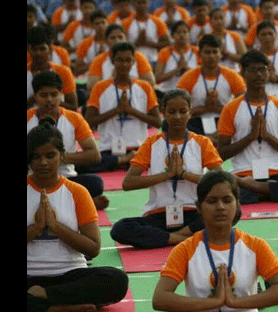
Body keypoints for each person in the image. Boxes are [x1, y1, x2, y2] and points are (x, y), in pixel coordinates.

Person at [152, 170, 278, 311]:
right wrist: (214, 302)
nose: (220, 207)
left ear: (237, 204)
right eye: (212, 201)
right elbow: (160, 298)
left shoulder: (255, 246)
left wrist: (235, 303)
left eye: (227, 200)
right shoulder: (185, 249)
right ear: (199, 207)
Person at [27, 120, 129, 312]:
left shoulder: (77, 192)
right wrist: (36, 228)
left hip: (70, 275)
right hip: (29, 276)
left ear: (62, 156)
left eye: (50, 156)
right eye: (36, 157)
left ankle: (46, 298)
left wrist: (56, 227)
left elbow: (93, 248)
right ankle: (58, 308)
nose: (43, 162)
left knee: (117, 281)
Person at [110, 89, 223, 249]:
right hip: (159, 214)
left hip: (193, 213)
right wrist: (167, 174)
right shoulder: (151, 143)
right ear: (163, 113)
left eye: (183, 111)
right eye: (172, 112)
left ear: (190, 113)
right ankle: (182, 238)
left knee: (228, 213)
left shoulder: (202, 143)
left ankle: (169, 238)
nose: (177, 116)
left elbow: (221, 180)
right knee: (120, 229)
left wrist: (184, 174)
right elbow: (128, 183)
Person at [217, 50, 278, 204]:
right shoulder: (231, 108)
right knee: (222, 191)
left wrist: (267, 137)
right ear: (242, 72)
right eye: (253, 70)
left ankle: (256, 190)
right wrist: (251, 137)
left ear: (269, 72)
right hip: (243, 173)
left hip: (275, 173)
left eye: (263, 70)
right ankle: (268, 191)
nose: (259, 75)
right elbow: (221, 153)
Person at [28, 71, 109, 210]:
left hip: (65, 178)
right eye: (43, 95)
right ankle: (81, 204)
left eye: (54, 94)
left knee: (96, 183)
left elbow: (94, 155)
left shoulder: (74, 118)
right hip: (33, 178)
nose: (49, 100)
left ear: (61, 95)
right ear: (35, 97)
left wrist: (59, 158)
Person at [83, 42, 162, 173]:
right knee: (85, 163)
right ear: (113, 61)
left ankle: (125, 161)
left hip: (137, 148)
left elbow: (157, 122)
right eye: (119, 60)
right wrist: (116, 111)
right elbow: (89, 121)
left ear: (133, 62)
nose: (124, 64)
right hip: (109, 150)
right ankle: (122, 160)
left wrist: (131, 111)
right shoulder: (100, 87)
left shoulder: (145, 87)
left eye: (128, 60)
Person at [176, 34, 247, 139]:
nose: (212, 56)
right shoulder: (189, 77)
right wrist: (206, 109)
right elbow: (178, 109)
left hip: (223, 120)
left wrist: (217, 109)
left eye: (215, 52)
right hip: (196, 121)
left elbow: (244, 108)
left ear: (220, 54)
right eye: (207, 52)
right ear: (199, 54)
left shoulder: (232, 76)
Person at [85, 23, 156, 93]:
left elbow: (151, 83)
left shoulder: (138, 57)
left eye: (120, 37)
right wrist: (112, 80)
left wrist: (127, 83)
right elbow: (91, 87)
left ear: (125, 38)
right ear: (106, 41)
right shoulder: (99, 60)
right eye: (113, 38)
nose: (117, 40)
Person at [27, 26, 78, 111]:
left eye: (42, 48)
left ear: (50, 49)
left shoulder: (63, 72)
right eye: (34, 49)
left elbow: (73, 106)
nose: (38, 53)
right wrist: (35, 98)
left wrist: (48, 100)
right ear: (28, 50)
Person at [121, 0, 171, 64]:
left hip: (153, 60)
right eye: (139, 2)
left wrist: (147, 43)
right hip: (132, 62)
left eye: (144, 2)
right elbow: (121, 45)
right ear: (133, 4)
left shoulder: (158, 22)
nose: (141, 5)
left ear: (148, 3)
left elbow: (168, 42)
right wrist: (137, 43)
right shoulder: (125, 23)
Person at [154, 20, 200, 92]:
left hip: (191, 91)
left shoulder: (197, 51)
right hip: (168, 91)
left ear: (189, 34)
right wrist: (178, 69)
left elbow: (202, 75)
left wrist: (186, 68)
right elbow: (158, 78)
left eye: (185, 32)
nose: (182, 35)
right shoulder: (165, 52)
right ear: (172, 35)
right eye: (178, 32)